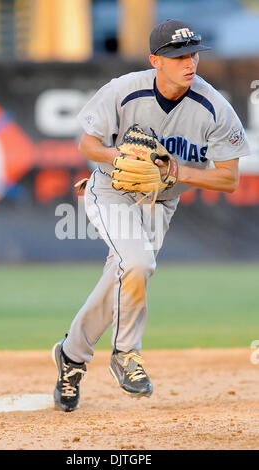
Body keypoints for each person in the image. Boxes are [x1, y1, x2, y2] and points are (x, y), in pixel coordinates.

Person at [51, 19, 250, 412]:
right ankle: (127, 353)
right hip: (111, 190)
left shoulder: (213, 108)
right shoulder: (125, 90)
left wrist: (175, 172)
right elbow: (87, 142)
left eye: (193, 54)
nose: (189, 62)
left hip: (162, 200)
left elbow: (228, 180)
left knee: (123, 277)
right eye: (178, 56)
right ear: (156, 61)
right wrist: (117, 156)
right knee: (137, 263)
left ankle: (71, 356)